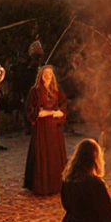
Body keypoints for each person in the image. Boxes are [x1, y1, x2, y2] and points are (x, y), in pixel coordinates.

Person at [25, 66, 69, 196]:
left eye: (50, 73)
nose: (47, 75)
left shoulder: (56, 90)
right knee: (42, 154)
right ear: (41, 75)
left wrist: (60, 112)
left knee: (54, 154)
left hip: (54, 128)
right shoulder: (35, 91)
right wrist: (39, 113)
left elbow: (64, 103)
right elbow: (30, 108)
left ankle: (56, 185)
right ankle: (42, 186)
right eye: (45, 73)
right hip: (41, 128)